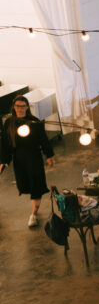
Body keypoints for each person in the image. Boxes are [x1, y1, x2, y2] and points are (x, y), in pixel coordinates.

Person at [0, 95, 55, 227]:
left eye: (23, 106)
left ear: (27, 107)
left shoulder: (34, 122)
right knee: (25, 184)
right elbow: (5, 143)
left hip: (34, 157)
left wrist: (49, 155)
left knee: (36, 184)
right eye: (18, 106)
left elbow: (43, 139)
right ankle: (34, 208)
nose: (20, 109)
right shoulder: (9, 122)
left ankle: (34, 214)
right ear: (14, 107)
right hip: (19, 159)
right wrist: (4, 160)